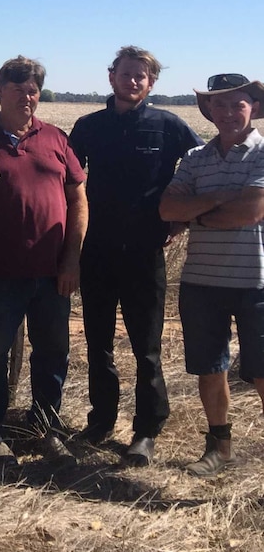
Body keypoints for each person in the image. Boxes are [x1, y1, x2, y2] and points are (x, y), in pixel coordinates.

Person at [68, 46, 203, 466]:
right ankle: (102, 418)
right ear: (111, 77)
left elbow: (201, 166)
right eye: (126, 74)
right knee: (98, 342)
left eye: (141, 76)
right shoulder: (88, 127)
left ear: (151, 83)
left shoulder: (169, 126)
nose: (133, 81)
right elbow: (67, 182)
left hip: (145, 254)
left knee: (146, 347)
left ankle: (146, 429)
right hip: (98, 252)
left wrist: (182, 217)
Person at [0, 57, 88, 466]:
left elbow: (78, 199)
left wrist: (72, 258)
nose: (28, 96)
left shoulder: (55, 138)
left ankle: (46, 429)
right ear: (0, 90)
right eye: (19, 88)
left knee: (53, 352)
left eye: (34, 90)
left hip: (52, 271)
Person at [159, 74, 264, 476]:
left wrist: (196, 212)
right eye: (218, 105)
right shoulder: (195, 157)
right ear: (209, 111)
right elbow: (168, 209)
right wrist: (222, 199)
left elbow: (251, 212)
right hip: (201, 282)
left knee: (261, 371)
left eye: (236, 104)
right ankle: (220, 448)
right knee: (210, 367)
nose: (226, 112)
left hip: (256, 282)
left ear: (252, 107)